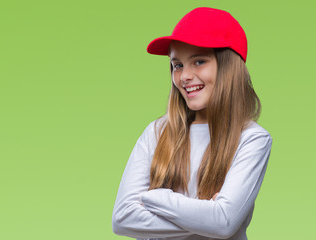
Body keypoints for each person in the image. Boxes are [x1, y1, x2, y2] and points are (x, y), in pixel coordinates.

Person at [112, 7, 272, 240]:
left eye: (198, 61)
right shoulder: (157, 133)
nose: (184, 76)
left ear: (229, 68)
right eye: (177, 65)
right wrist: (206, 215)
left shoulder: (252, 139)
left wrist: (154, 198)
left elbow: (223, 222)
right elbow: (123, 218)